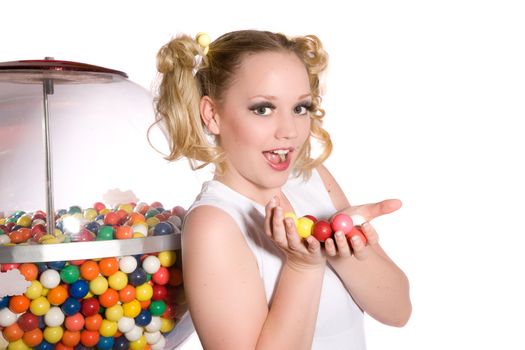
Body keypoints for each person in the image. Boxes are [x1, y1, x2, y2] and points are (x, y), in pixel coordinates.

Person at [153, 29, 411, 349]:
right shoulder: (214, 224)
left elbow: (398, 311)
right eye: (263, 108)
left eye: (300, 107)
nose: (290, 131)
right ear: (213, 115)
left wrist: (341, 248)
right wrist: (303, 268)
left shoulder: (312, 177)